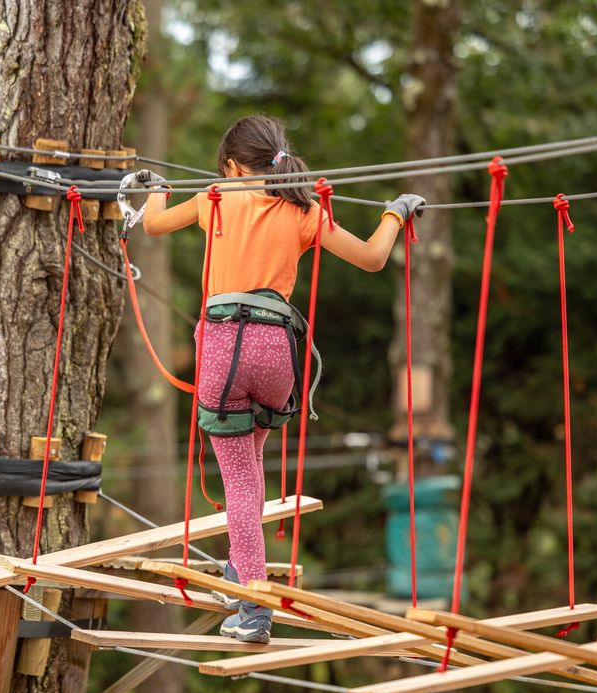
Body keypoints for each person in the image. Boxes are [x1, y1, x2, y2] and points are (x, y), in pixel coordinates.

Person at [136, 114, 425, 643]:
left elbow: (153, 226)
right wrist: (394, 212)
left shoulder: (217, 197)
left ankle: (253, 608)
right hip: (278, 354)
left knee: (240, 484)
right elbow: (373, 257)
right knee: (250, 473)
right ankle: (237, 573)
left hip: (226, 349)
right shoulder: (303, 210)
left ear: (229, 165)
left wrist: (157, 189)